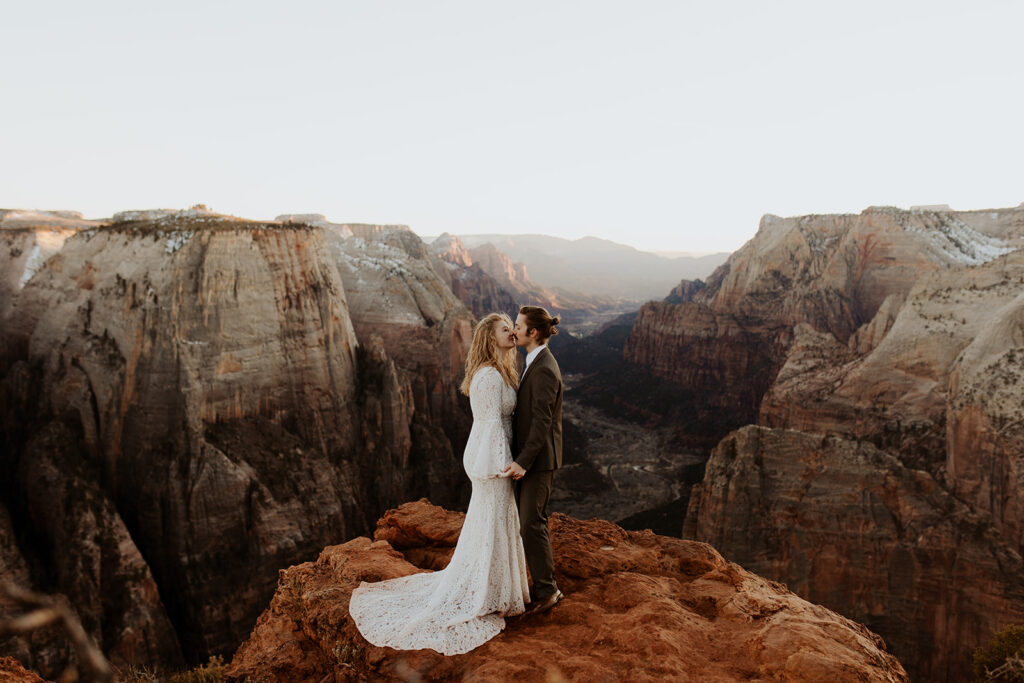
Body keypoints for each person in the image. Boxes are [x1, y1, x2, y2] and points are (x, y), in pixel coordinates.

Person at [348, 313, 530, 655]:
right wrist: (505, 465)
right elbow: (490, 425)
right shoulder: (489, 376)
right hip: (493, 462)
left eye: (512, 327)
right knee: (493, 520)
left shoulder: (501, 369)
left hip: (495, 458)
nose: (512, 333)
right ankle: (485, 592)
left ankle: (494, 589)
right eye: (504, 330)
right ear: (490, 339)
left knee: (495, 520)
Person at [502, 305, 563, 614]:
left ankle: (548, 590)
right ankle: (541, 586)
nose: (514, 330)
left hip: (540, 461)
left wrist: (522, 461)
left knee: (531, 522)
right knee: (528, 521)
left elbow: (542, 422)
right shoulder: (534, 361)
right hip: (532, 458)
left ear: (532, 332)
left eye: (518, 325)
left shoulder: (545, 368)